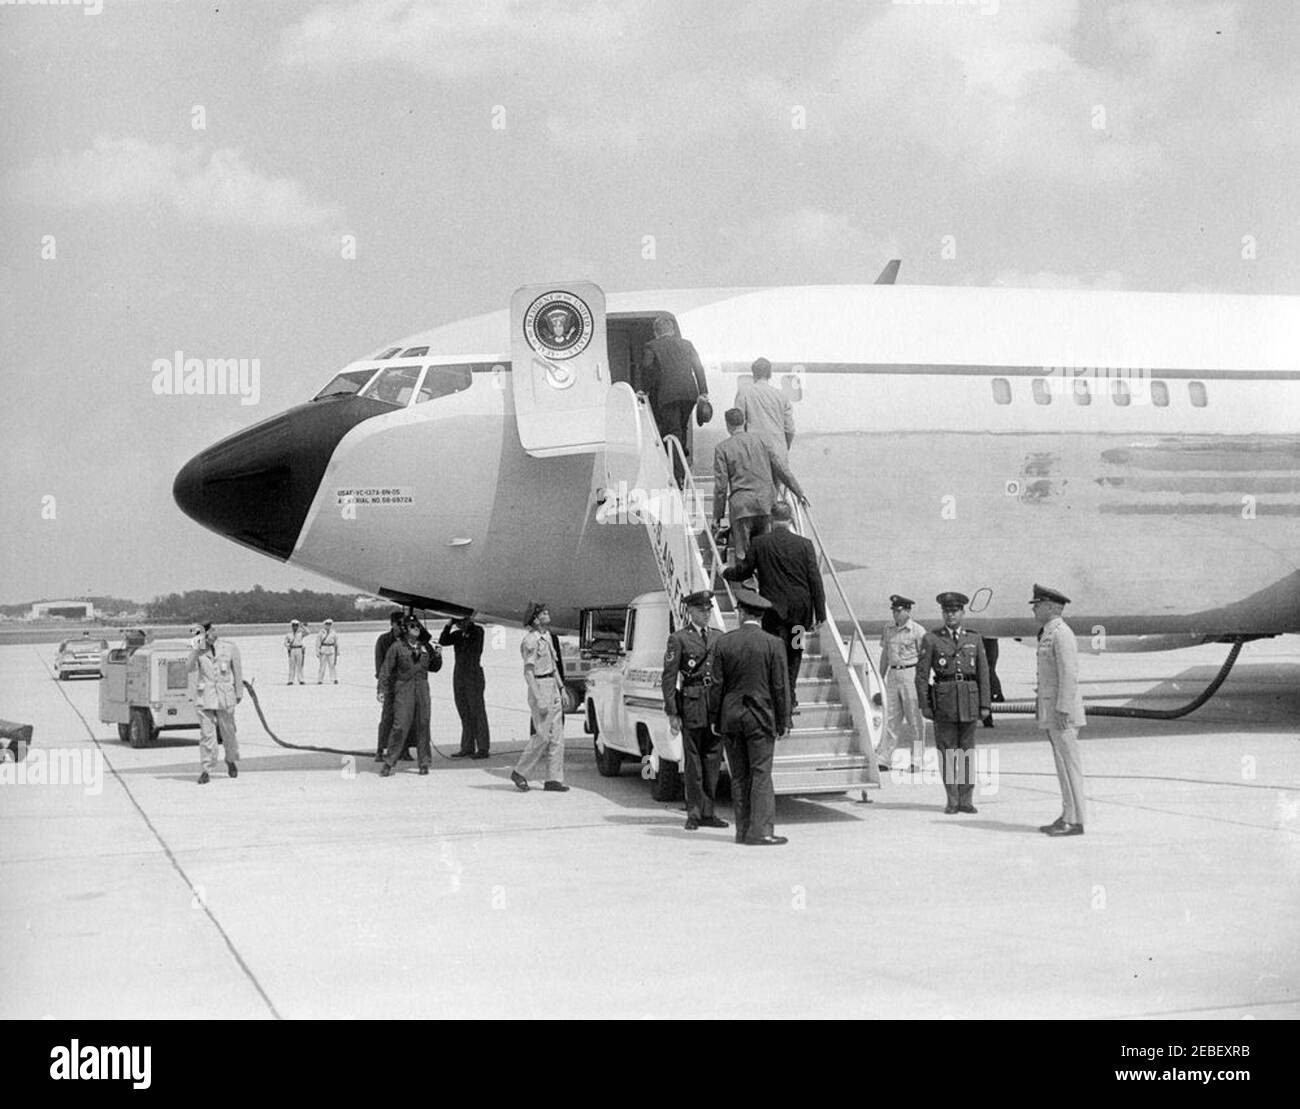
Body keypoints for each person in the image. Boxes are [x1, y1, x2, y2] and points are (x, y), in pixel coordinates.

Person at [707, 587, 790, 846]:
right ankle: (761, 831)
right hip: (760, 718)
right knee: (761, 774)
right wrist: (783, 720)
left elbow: (716, 686)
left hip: (731, 718)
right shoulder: (773, 644)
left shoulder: (724, 642)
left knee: (739, 776)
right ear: (761, 616)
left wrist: (714, 717)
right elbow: (780, 687)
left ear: (741, 613)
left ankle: (742, 831)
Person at [722, 501, 824, 707]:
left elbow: (744, 572)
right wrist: (820, 614)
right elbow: (815, 580)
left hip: (773, 613)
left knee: (775, 654)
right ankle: (791, 695)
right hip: (799, 615)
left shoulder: (760, 543)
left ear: (770, 519)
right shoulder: (805, 545)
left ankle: (777, 697)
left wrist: (725, 571)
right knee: (795, 653)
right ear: (791, 519)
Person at [916, 592, 990, 815]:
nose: (950, 615)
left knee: (967, 753)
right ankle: (952, 800)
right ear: (942, 614)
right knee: (948, 753)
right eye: (947, 611)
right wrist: (925, 705)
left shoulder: (974, 639)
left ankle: (966, 800)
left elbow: (983, 673)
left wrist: (984, 704)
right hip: (944, 704)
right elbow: (921, 676)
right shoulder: (932, 639)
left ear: (962, 613)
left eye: (954, 611)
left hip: (969, 701)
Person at [662, 590, 727, 831]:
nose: (706, 614)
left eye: (709, 609)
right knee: (693, 763)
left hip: (714, 706)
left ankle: (709, 812)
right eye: (701, 610)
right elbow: (669, 678)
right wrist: (672, 712)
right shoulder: (679, 639)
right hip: (691, 705)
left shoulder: (719, 637)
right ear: (690, 611)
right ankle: (694, 812)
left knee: (712, 762)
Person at [712, 408, 807, 564]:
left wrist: (717, 516)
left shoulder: (722, 449)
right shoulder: (763, 441)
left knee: (743, 557)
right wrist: (799, 492)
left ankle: (748, 584)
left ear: (728, 425)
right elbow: (782, 469)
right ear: (744, 422)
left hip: (742, 508)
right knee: (765, 553)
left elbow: (721, 488)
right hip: (766, 505)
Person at [1031, 584, 1088, 836]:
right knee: (1062, 765)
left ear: (1052, 607)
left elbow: (1069, 673)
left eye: (1038, 604)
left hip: (1061, 712)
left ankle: (1076, 821)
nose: (1034, 608)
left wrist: (1063, 708)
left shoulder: (1062, 633)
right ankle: (1067, 814)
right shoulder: (1048, 633)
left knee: (1069, 765)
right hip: (1053, 710)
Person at [636, 316, 709, 481]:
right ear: (673, 330)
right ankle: (681, 463)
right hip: (689, 394)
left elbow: (648, 368)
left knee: (672, 431)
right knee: (681, 429)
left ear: (656, 332)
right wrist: (703, 391)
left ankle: (677, 476)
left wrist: (643, 389)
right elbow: (698, 366)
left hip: (667, 395)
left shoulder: (651, 346)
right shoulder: (687, 344)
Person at [510, 601, 568, 792]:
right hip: (540, 686)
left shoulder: (548, 637)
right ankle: (520, 771)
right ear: (536, 619)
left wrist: (562, 688)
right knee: (542, 735)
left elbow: (553, 666)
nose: (547, 614)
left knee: (557, 737)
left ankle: (553, 779)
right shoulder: (531, 641)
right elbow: (529, 672)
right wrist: (539, 698)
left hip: (552, 684)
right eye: (544, 613)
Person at [377, 617, 442, 777]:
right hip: (404, 688)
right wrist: (381, 690)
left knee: (423, 724)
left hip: (422, 688)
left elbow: (434, 667)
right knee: (400, 725)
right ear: (405, 629)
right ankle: (389, 761)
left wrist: (438, 655)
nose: (416, 628)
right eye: (412, 626)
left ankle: (424, 762)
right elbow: (385, 670)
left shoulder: (425, 647)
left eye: (418, 626)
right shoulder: (397, 647)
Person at [187, 623, 243, 786]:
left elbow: (237, 671)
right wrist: (196, 649)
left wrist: (238, 693)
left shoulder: (229, 647)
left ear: (213, 631)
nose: (207, 636)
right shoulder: (198, 650)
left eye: (208, 632)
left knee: (229, 732)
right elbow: (188, 668)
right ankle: (206, 769)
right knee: (207, 735)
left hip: (225, 697)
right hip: (205, 697)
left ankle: (231, 760)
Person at [877, 594, 926, 772]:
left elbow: (924, 658)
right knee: (891, 718)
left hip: (910, 674)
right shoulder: (888, 629)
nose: (895, 614)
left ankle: (917, 760)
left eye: (899, 611)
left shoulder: (917, 631)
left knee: (915, 719)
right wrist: (879, 676)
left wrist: (922, 682)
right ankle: (885, 758)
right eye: (894, 611)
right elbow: (885, 655)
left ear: (907, 611)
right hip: (893, 673)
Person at [440, 611, 491, 759]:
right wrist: (448, 625)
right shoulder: (457, 635)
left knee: (477, 711)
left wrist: (466, 623)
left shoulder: (477, 631)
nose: (459, 625)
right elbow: (443, 640)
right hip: (459, 676)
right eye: (458, 623)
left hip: (473, 675)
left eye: (461, 622)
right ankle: (467, 746)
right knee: (463, 711)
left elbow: (474, 638)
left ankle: (482, 747)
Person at [734, 357, 795, 465]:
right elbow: (790, 429)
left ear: (753, 374)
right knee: (776, 482)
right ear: (770, 374)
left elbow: (738, 425)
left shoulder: (744, 392)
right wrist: (784, 447)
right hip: (778, 452)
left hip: (754, 452)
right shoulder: (782, 396)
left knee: (756, 482)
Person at [982, 636, 1004, 728]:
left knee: (988, 670)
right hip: (989, 640)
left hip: (987, 641)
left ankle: (995, 693)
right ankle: (996, 693)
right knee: (989, 669)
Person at [284, 619, 308, 684]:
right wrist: (288, 645)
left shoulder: (300, 634)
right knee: (292, 665)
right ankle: (290, 680)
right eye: (294, 626)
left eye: (296, 626)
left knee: (300, 665)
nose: (295, 627)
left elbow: (308, 632)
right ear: (292, 627)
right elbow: (285, 643)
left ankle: (301, 680)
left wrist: (302, 626)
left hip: (299, 650)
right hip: (292, 650)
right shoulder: (289, 635)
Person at [316, 618, 339, 684]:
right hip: (323, 649)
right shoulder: (321, 632)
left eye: (329, 624)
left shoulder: (333, 633)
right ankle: (320, 679)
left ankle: (334, 679)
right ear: (324, 625)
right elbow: (318, 643)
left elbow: (336, 642)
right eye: (327, 624)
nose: (328, 626)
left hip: (331, 650)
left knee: (332, 665)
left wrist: (337, 651)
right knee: (322, 666)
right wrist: (317, 651)